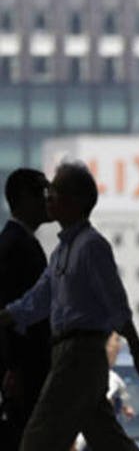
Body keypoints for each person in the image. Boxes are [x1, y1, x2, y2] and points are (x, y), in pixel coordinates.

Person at [0, 161, 139, 451]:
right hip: (70, 354)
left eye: (55, 191)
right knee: (107, 438)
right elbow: (35, 302)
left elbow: (117, 304)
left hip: (79, 355)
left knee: (38, 440)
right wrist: (7, 316)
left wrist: (138, 352)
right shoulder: (62, 251)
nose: (48, 197)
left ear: (75, 202)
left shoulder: (91, 247)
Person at [0, 168, 52, 447]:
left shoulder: (19, 242)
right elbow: (9, 309)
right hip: (26, 367)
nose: (48, 200)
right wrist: (14, 366)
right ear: (23, 198)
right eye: (42, 193)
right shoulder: (16, 246)